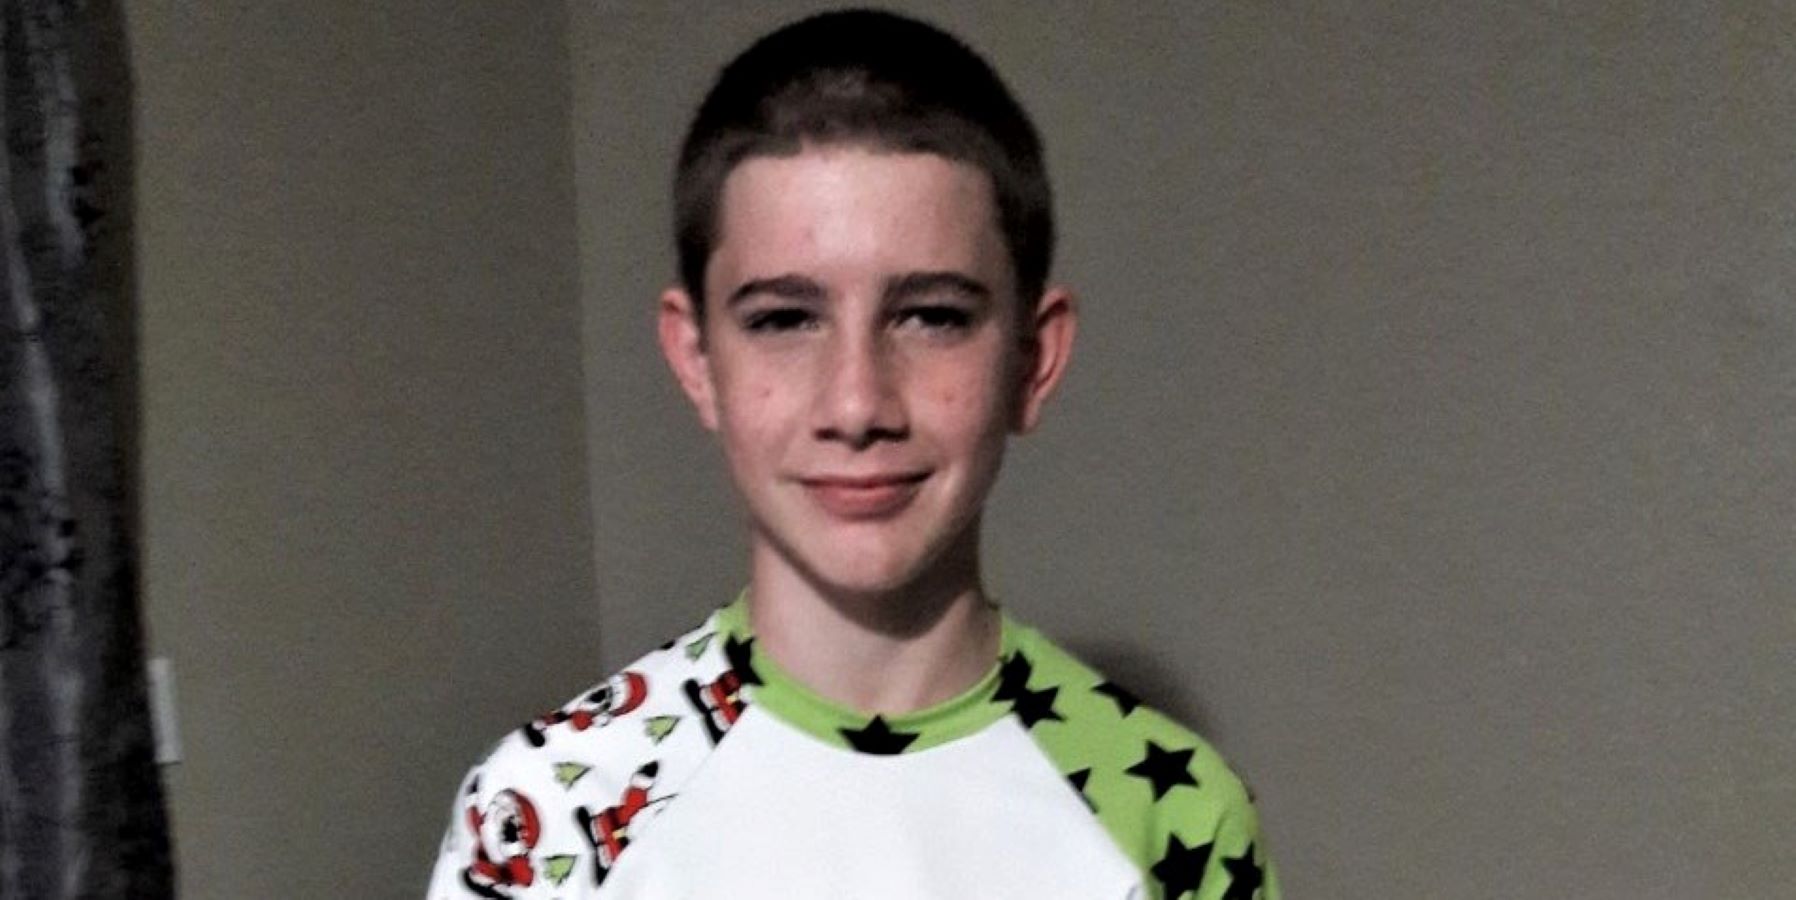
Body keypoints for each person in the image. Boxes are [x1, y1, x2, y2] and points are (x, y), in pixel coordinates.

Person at [426, 9, 1277, 899]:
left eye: (933, 316)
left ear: (1033, 359)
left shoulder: (1175, 814)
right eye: (784, 320)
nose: (857, 404)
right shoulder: (550, 811)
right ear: (696, 359)